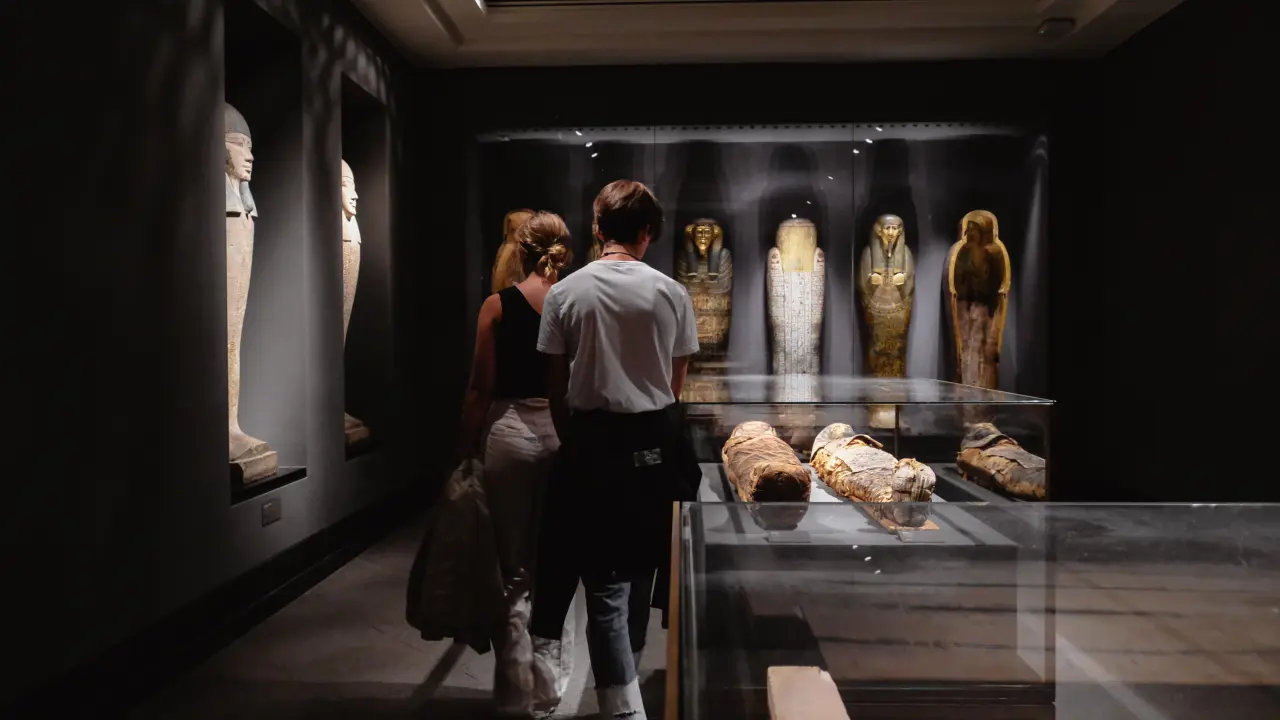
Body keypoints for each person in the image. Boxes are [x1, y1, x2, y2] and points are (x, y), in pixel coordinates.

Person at [531, 180, 702, 719]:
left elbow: (555, 389)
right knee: (639, 576)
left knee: (606, 586)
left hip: (593, 443)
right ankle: (625, 704)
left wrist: (580, 439)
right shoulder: (671, 293)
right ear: (647, 232)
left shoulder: (565, 293)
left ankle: (622, 704)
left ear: (597, 228)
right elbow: (675, 385)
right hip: (654, 445)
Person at [456, 211, 574, 716]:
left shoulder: (497, 306)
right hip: (561, 433)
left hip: (507, 434)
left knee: (513, 567)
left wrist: (464, 450)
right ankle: (549, 685)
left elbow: (480, 388)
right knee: (556, 562)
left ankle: (514, 689)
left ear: (519, 252)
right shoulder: (572, 302)